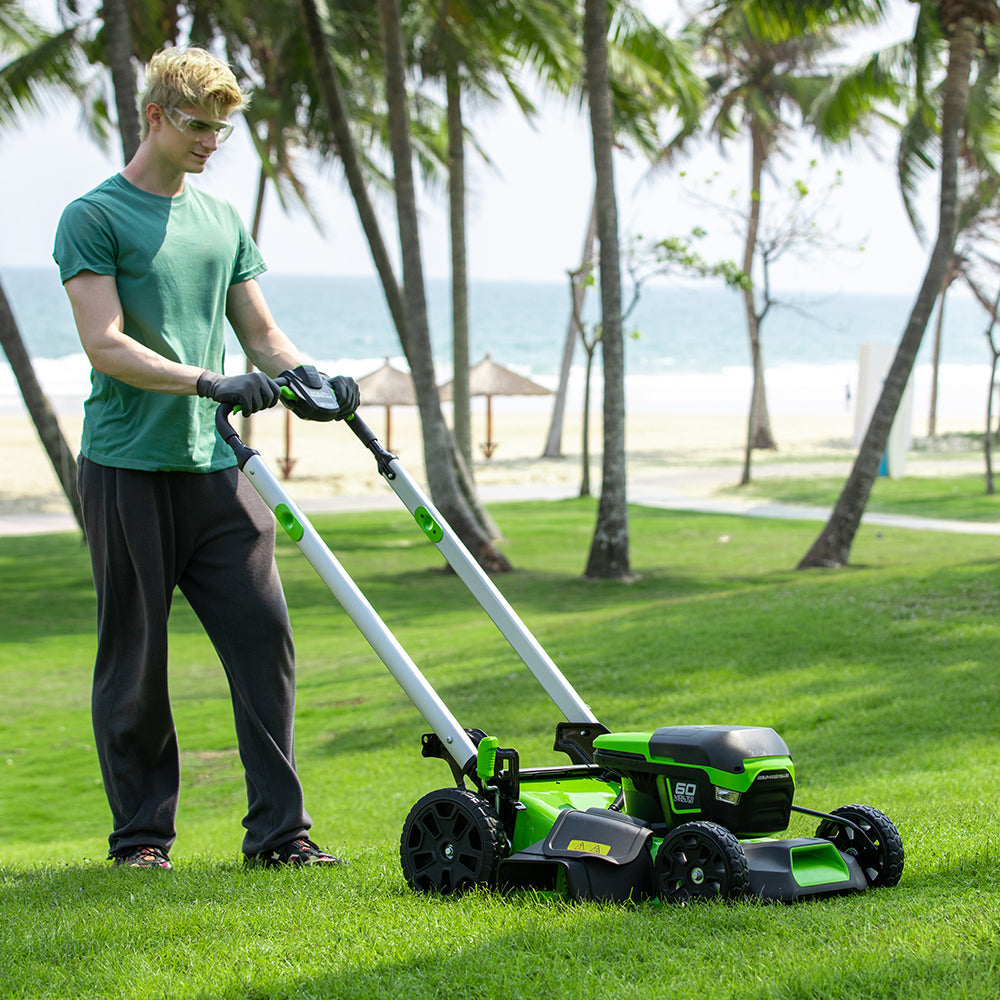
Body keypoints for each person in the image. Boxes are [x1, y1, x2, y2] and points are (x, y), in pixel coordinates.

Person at [53, 46, 359, 870]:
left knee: (265, 639)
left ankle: (281, 836)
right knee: (136, 660)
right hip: (127, 469)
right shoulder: (93, 216)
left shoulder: (220, 219)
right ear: (155, 115)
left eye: (221, 131)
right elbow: (104, 343)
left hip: (216, 470)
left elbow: (261, 333)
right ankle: (141, 841)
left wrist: (311, 378)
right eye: (197, 126)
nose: (210, 143)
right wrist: (205, 380)